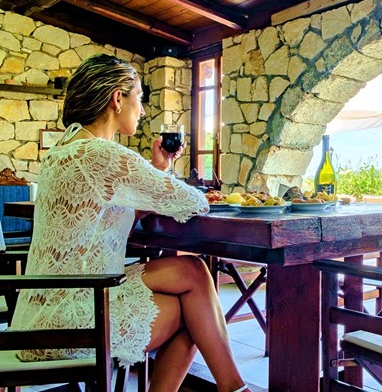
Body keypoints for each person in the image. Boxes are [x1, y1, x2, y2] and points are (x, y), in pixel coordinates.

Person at [10, 54, 251, 392]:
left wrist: (157, 171)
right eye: (139, 97)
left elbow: (99, 215)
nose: (143, 110)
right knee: (196, 312)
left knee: (193, 274)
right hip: (73, 315)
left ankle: (234, 388)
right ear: (117, 98)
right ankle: (235, 387)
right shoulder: (102, 154)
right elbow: (194, 201)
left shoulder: (63, 151)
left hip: (42, 309)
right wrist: (160, 175)